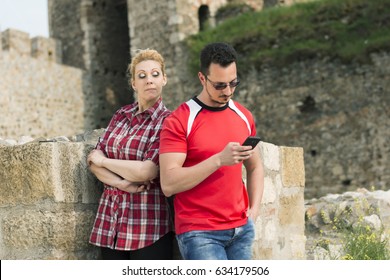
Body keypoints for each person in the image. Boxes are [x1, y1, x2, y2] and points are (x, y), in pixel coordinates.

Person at [159, 42, 264, 260]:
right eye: (219, 85)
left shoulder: (244, 116)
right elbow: (169, 184)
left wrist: (254, 211)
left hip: (242, 230)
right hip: (199, 232)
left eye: (233, 83)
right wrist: (218, 160)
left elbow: (255, 167)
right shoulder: (180, 120)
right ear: (202, 78)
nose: (228, 91)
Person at [87, 49, 173, 260]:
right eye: (141, 76)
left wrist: (105, 161)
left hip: (148, 226)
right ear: (134, 83)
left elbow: (147, 170)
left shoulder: (168, 121)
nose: (149, 80)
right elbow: (92, 161)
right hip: (110, 225)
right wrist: (122, 183)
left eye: (155, 74)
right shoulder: (120, 115)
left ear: (164, 79)